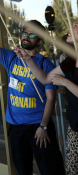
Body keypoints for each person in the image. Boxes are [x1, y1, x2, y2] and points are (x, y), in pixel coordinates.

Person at [0, 10, 65, 175]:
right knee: (22, 170)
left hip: (39, 128)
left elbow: (51, 99)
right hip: (16, 127)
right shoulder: (10, 57)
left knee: (51, 170)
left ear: (39, 42)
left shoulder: (45, 64)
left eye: (31, 35)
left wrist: (43, 126)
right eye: (25, 33)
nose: (26, 36)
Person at [15, 20, 78, 175]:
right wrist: (27, 59)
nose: (71, 27)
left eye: (76, 25)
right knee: (71, 170)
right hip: (75, 127)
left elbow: (59, 83)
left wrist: (64, 82)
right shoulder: (70, 61)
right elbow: (45, 79)